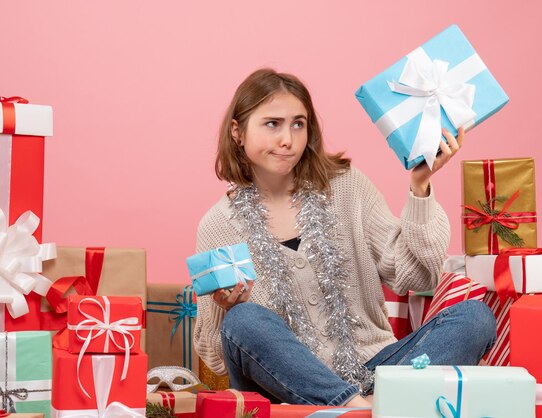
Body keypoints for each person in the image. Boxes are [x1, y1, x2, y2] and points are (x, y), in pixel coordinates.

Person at [193, 68, 496, 407]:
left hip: (377, 368)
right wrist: (224, 309)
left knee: (474, 318)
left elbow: (415, 276)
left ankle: (370, 406)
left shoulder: (347, 186)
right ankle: (361, 408)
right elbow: (217, 356)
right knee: (244, 319)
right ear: (237, 132)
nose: (287, 140)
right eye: (272, 124)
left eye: (298, 123)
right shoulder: (217, 225)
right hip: (284, 389)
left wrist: (420, 186)